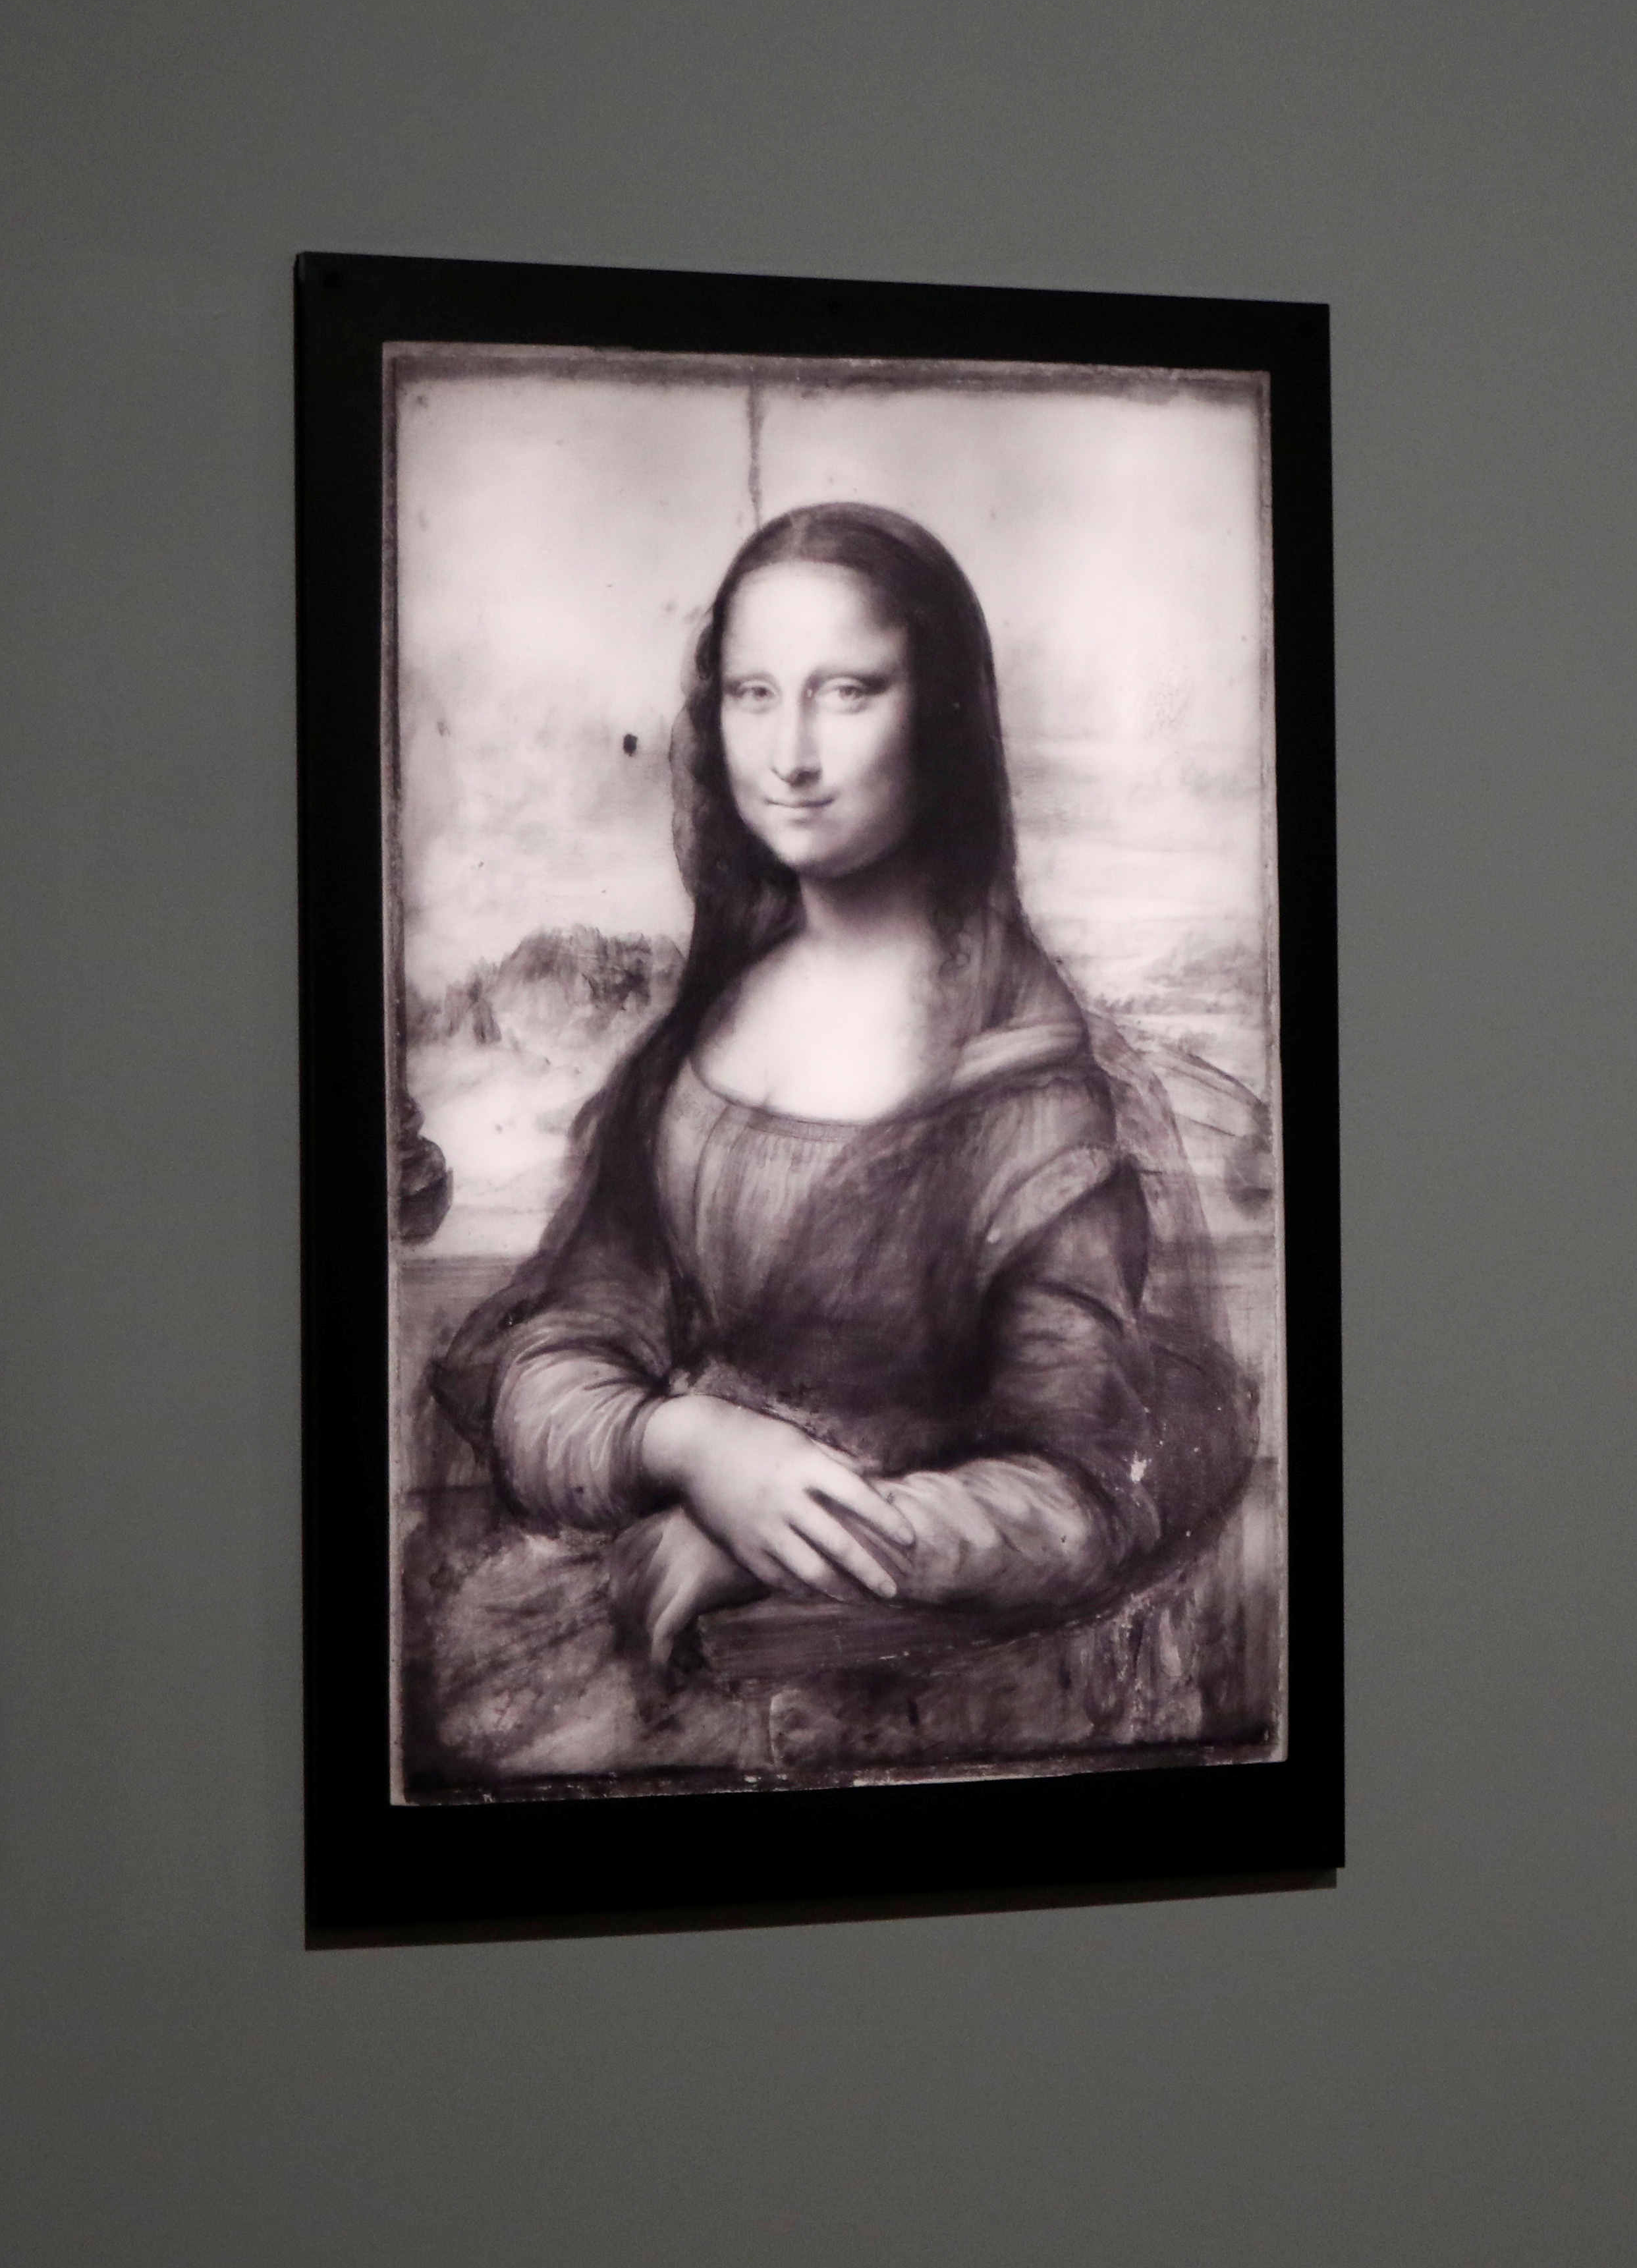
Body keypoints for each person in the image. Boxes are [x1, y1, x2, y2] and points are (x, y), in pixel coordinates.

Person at [433, 501, 1249, 1697]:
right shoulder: (700, 1039)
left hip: (905, 1664)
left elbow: (1076, 1496)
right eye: (753, 694)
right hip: (645, 1604)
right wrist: (689, 1442)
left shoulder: (1027, 1085)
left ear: (945, 720)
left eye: (850, 691)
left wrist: (775, 1531)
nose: (791, 754)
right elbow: (559, 1345)